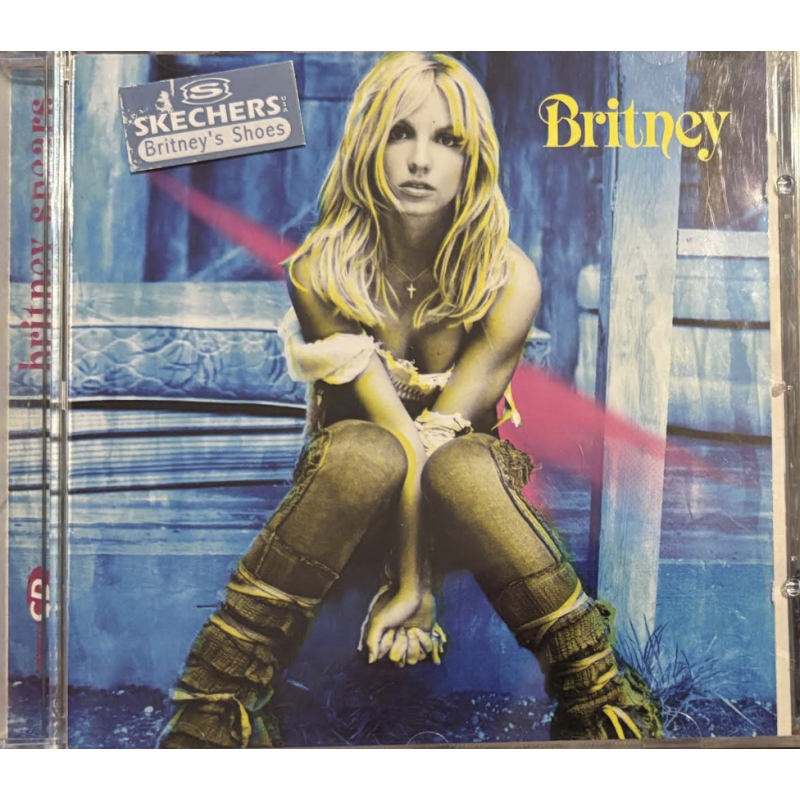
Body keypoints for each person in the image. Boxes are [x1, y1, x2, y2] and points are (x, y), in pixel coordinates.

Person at [159, 51, 662, 747]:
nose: (421, 160)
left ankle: (602, 705)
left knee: (463, 464)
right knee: (367, 452)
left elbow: (436, 443)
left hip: (463, 495)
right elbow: (397, 436)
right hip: (350, 488)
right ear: (368, 141)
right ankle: (215, 705)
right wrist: (409, 584)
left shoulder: (508, 279)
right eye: (401, 133)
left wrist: (417, 586)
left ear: (472, 158)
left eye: (447, 139)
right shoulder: (319, 271)